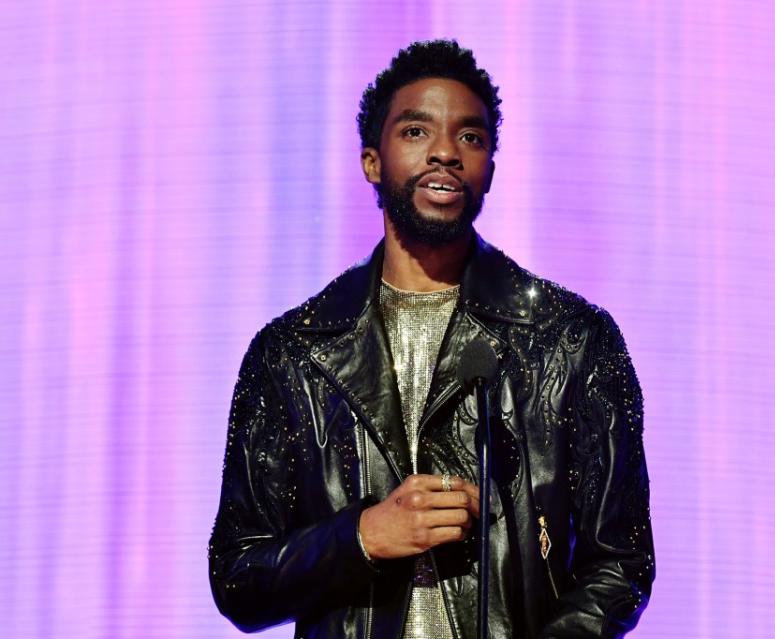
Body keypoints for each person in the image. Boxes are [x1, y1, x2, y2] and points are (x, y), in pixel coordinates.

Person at [208, 39, 654, 639]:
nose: (445, 151)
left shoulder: (571, 341)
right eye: (417, 132)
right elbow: (238, 576)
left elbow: (621, 565)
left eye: (470, 138)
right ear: (372, 160)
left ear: (490, 169)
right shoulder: (293, 353)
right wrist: (362, 536)